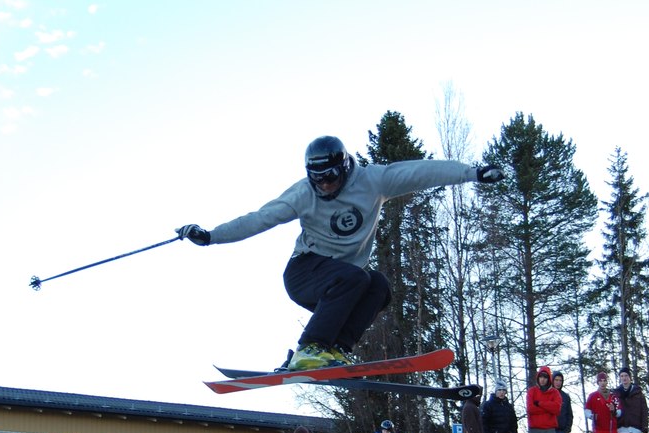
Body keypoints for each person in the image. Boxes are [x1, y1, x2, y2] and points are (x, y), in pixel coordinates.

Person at [176, 135, 503, 370]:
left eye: (331, 178)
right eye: (318, 180)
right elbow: (260, 218)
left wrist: (471, 173)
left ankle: (334, 350)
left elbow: (421, 172)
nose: (325, 186)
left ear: (344, 168)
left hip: (344, 285)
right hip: (305, 274)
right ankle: (310, 348)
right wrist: (210, 236)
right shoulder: (304, 194)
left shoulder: (374, 181)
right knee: (355, 277)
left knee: (379, 286)